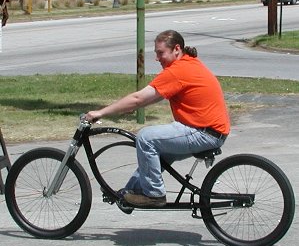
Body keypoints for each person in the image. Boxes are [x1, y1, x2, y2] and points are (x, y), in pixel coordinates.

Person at [85, 30, 230, 208]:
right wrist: (129, 106)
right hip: (210, 131)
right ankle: (130, 194)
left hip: (203, 133)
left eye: (160, 53)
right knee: (154, 153)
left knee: (146, 137)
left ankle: (154, 195)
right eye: (156, 53)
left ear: (176, 49)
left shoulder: (178, 70)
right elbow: (152, 97)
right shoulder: (188, 64)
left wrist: (101, 112)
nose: (157, 58)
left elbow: (139, 98)